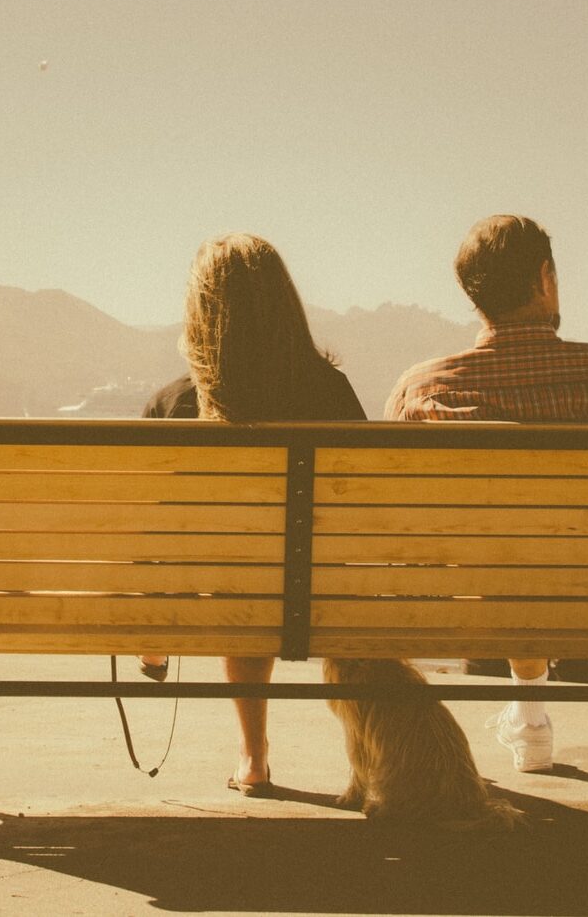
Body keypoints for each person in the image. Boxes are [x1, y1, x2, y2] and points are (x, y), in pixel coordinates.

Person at [384, 215, 588, 773]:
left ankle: (527, 708)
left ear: (473, 296)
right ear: (545, 278)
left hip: (478, 620)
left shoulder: (421, 390)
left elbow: (389, 519)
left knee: (502, 579)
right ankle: (530, 711)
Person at [141, 233, 366, 795]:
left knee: (238, 581)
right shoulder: (330, 392)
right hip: (324, 589)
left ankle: (253, 755)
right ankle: (371, 759)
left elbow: (148, 525)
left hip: (225, 591)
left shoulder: (175, 404)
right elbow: (361, 506)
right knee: (271, 573)